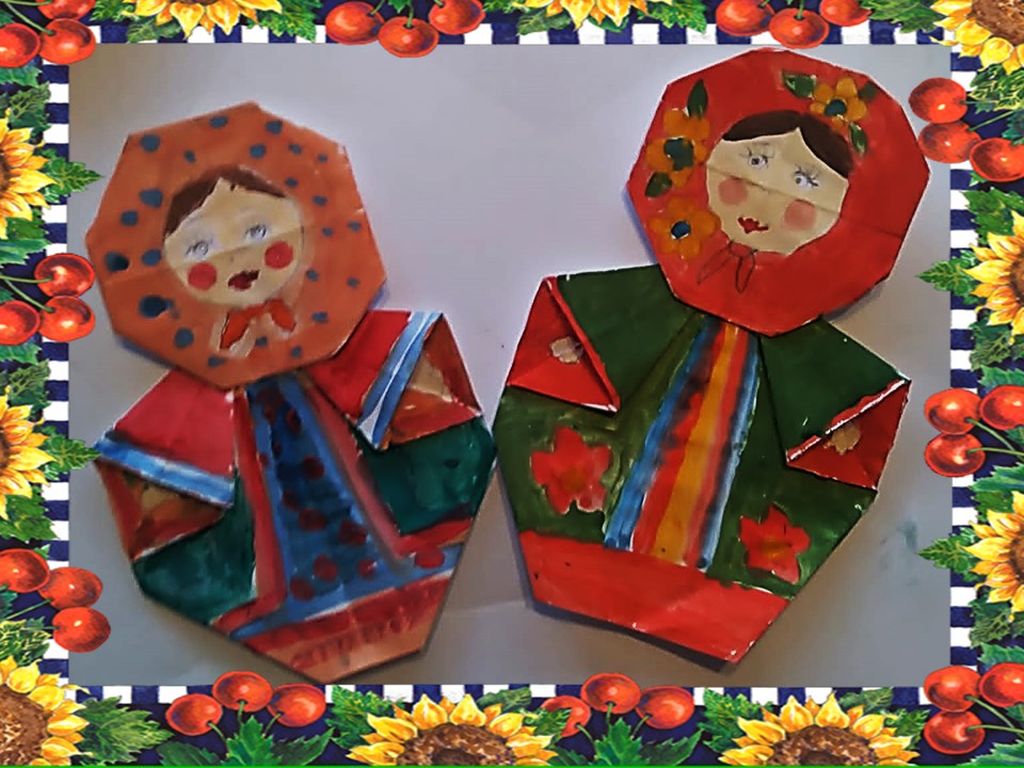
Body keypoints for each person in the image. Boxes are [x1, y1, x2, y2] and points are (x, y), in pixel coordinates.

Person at [494, 50, 929, 663]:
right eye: (756, 162)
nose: (767, 198)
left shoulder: (813, 350)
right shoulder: (609, 303)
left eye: (807, 184)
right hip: (559, 582)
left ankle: (705, 593)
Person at [86, 103, 494, 682]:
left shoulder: (387, 345)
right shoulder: (196, 395)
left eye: (257, 231)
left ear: (304, 230)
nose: (237, 256)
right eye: (199, 248)